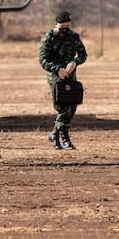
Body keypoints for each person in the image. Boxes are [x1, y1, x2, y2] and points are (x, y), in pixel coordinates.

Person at [38, 11, 88, 150]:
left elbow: (83, 55)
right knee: (63, 107)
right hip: (56, 77)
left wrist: (75, 62)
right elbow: (42, 59)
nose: (65, 30)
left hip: (71, 76)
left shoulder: (74, 37)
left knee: (72, 107)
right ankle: (64, 138)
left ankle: (54, 133)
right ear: (55, 24)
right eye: (62, 27)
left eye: (67, 26)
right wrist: (57, 69)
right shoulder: (48, 38)